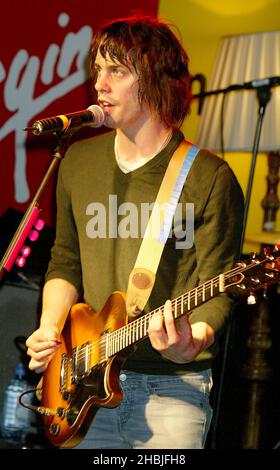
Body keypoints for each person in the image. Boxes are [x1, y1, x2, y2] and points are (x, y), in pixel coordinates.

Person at [26, 15, 244, 449]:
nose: (99, 85)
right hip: (83, 385)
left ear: (157, 79)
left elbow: (221, 285)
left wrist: (191, 341)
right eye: (98, 71)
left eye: (117, 71)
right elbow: (65, 260)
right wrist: (50, 328)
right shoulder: (76, 163)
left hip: (172, 390)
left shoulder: (209, 177)